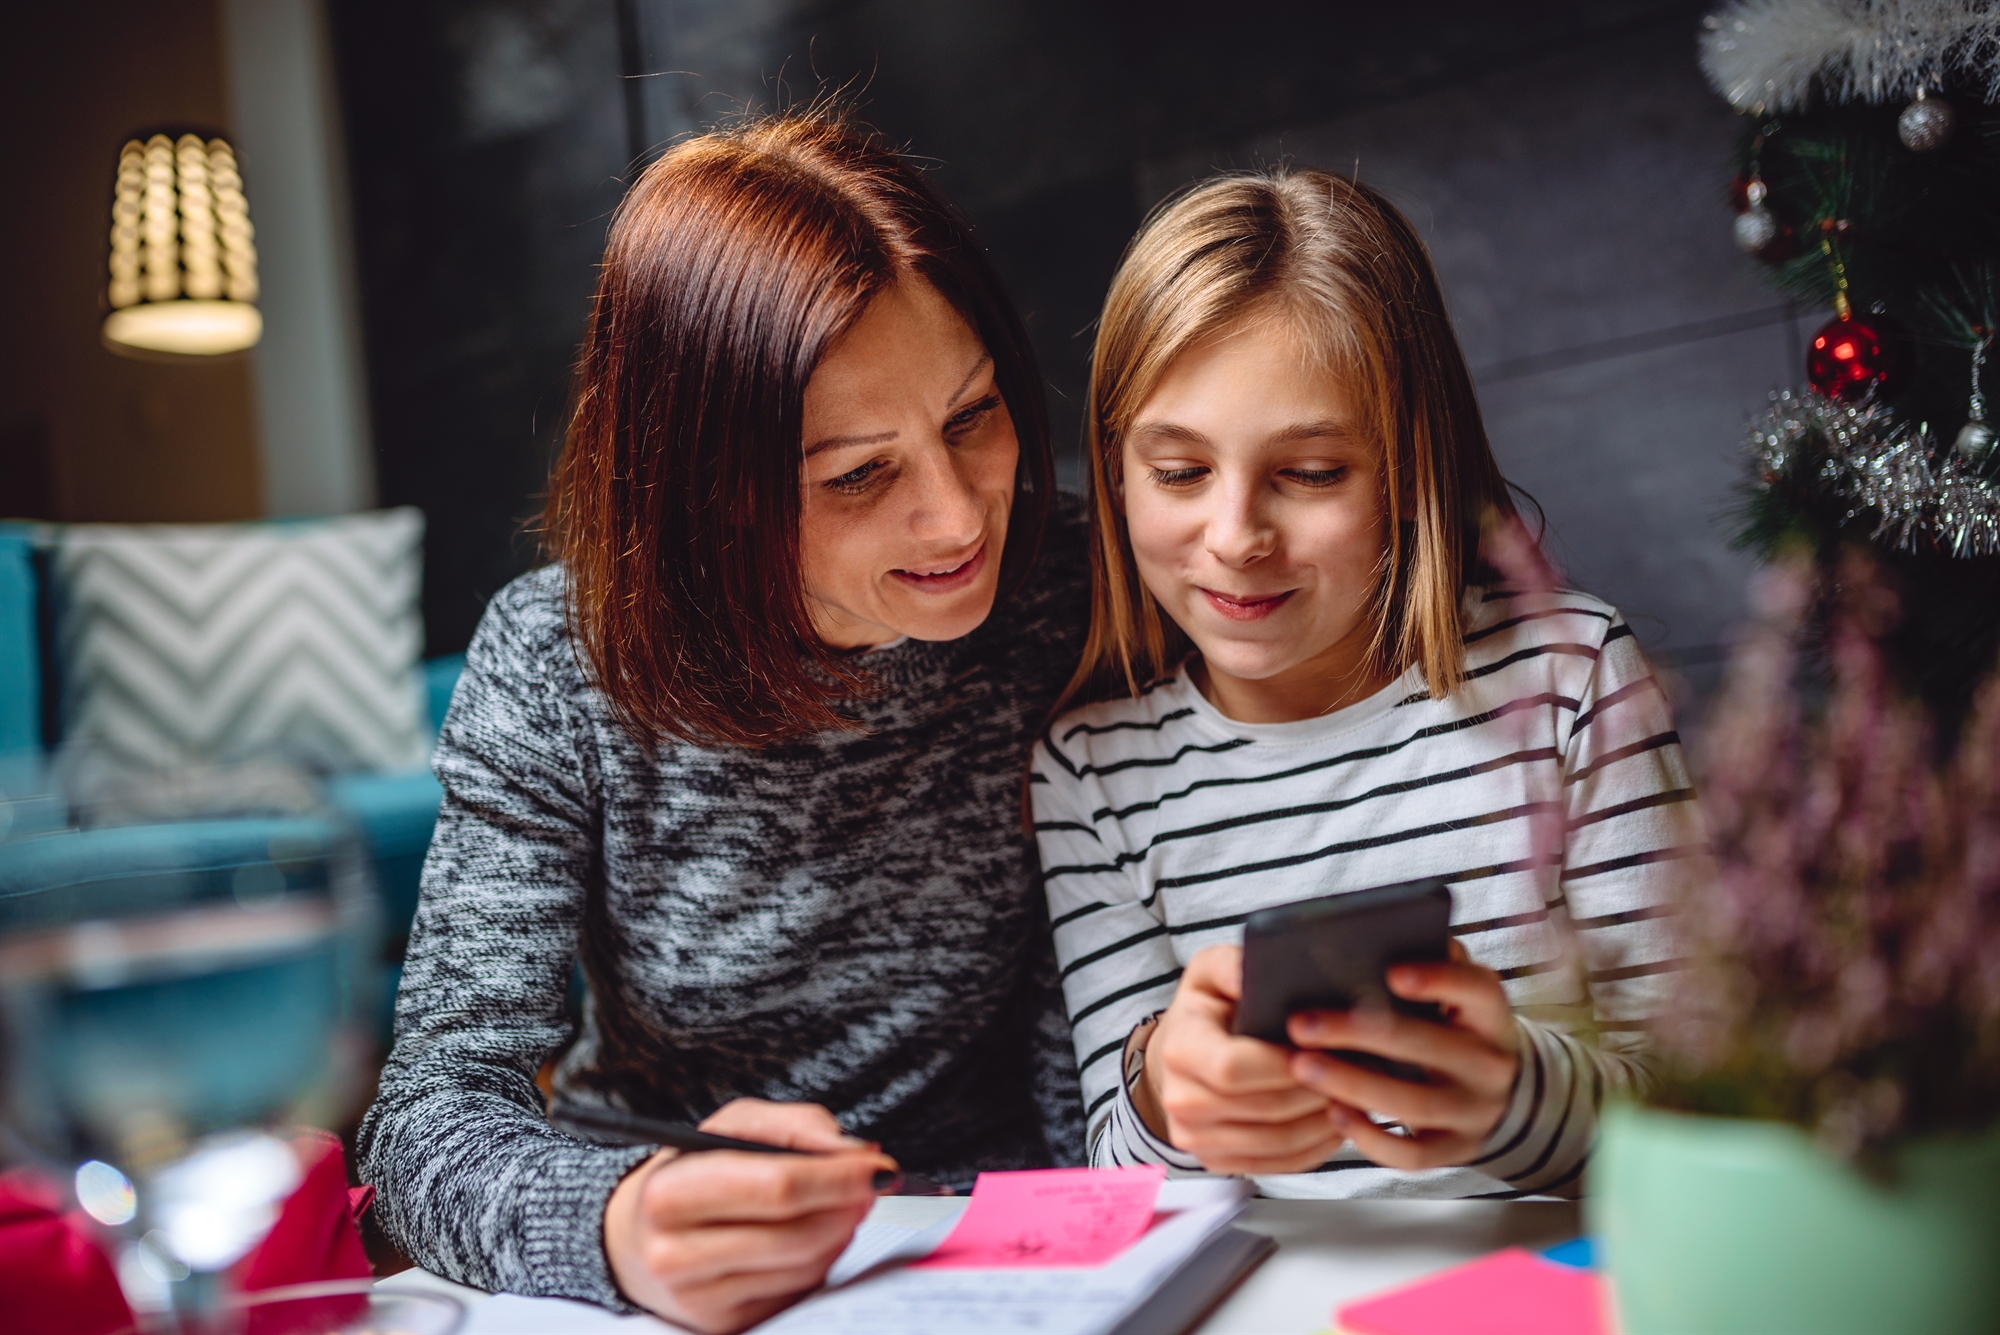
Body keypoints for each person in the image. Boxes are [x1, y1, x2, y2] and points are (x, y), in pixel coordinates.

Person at [357, 110, 1088, 1335]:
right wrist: (616, 1224)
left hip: (998, 1244)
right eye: (858, 475)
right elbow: (428, 1114)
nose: (959, 518)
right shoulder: (557, 662)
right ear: (710, 493)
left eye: (972, 418)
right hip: (664, 1258)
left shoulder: (1068, 582)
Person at [1030, 169, 1700, 1198]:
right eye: (1178, 472)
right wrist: (1164, 1081)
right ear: (1113, 469)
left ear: (1405, 471)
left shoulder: (1568, 681)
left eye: (1309, 474)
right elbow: (1119, 1175)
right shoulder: (1091, 773)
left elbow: (1697, 1107)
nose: (1236, 537)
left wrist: (1512, 1092)